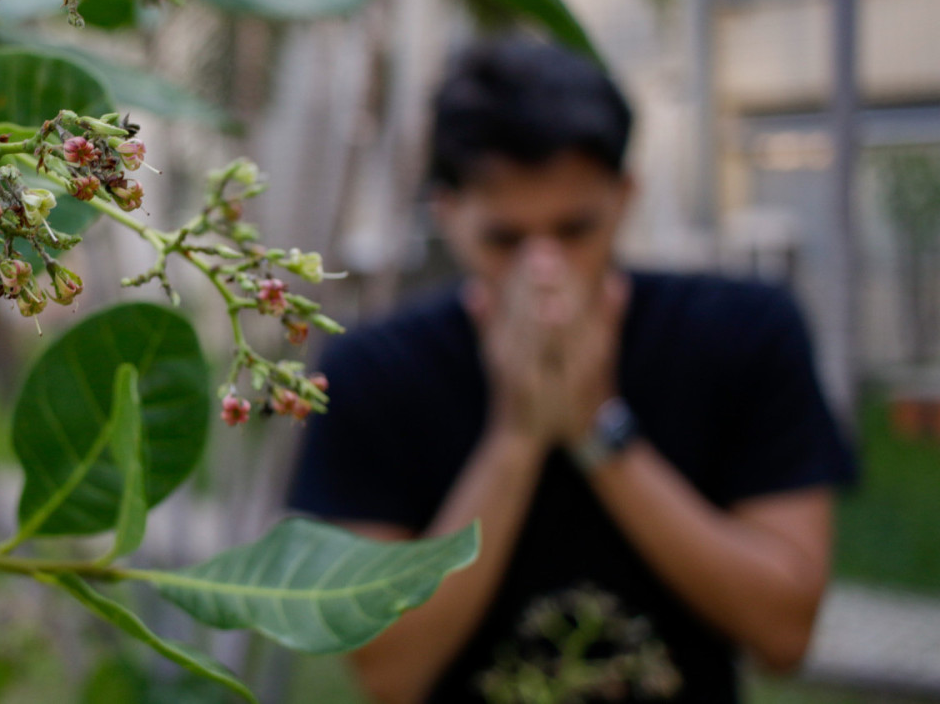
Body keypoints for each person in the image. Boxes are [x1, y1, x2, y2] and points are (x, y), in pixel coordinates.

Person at [287, 37, 857, 704]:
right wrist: (516, 435)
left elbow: (786, 633)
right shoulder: (376, 370)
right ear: (449, 215)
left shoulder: (744, 333)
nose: (544, 270)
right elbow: (387, 672)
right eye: (506, 239)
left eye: (575, 229)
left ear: (624, 198)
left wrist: (598, 426)